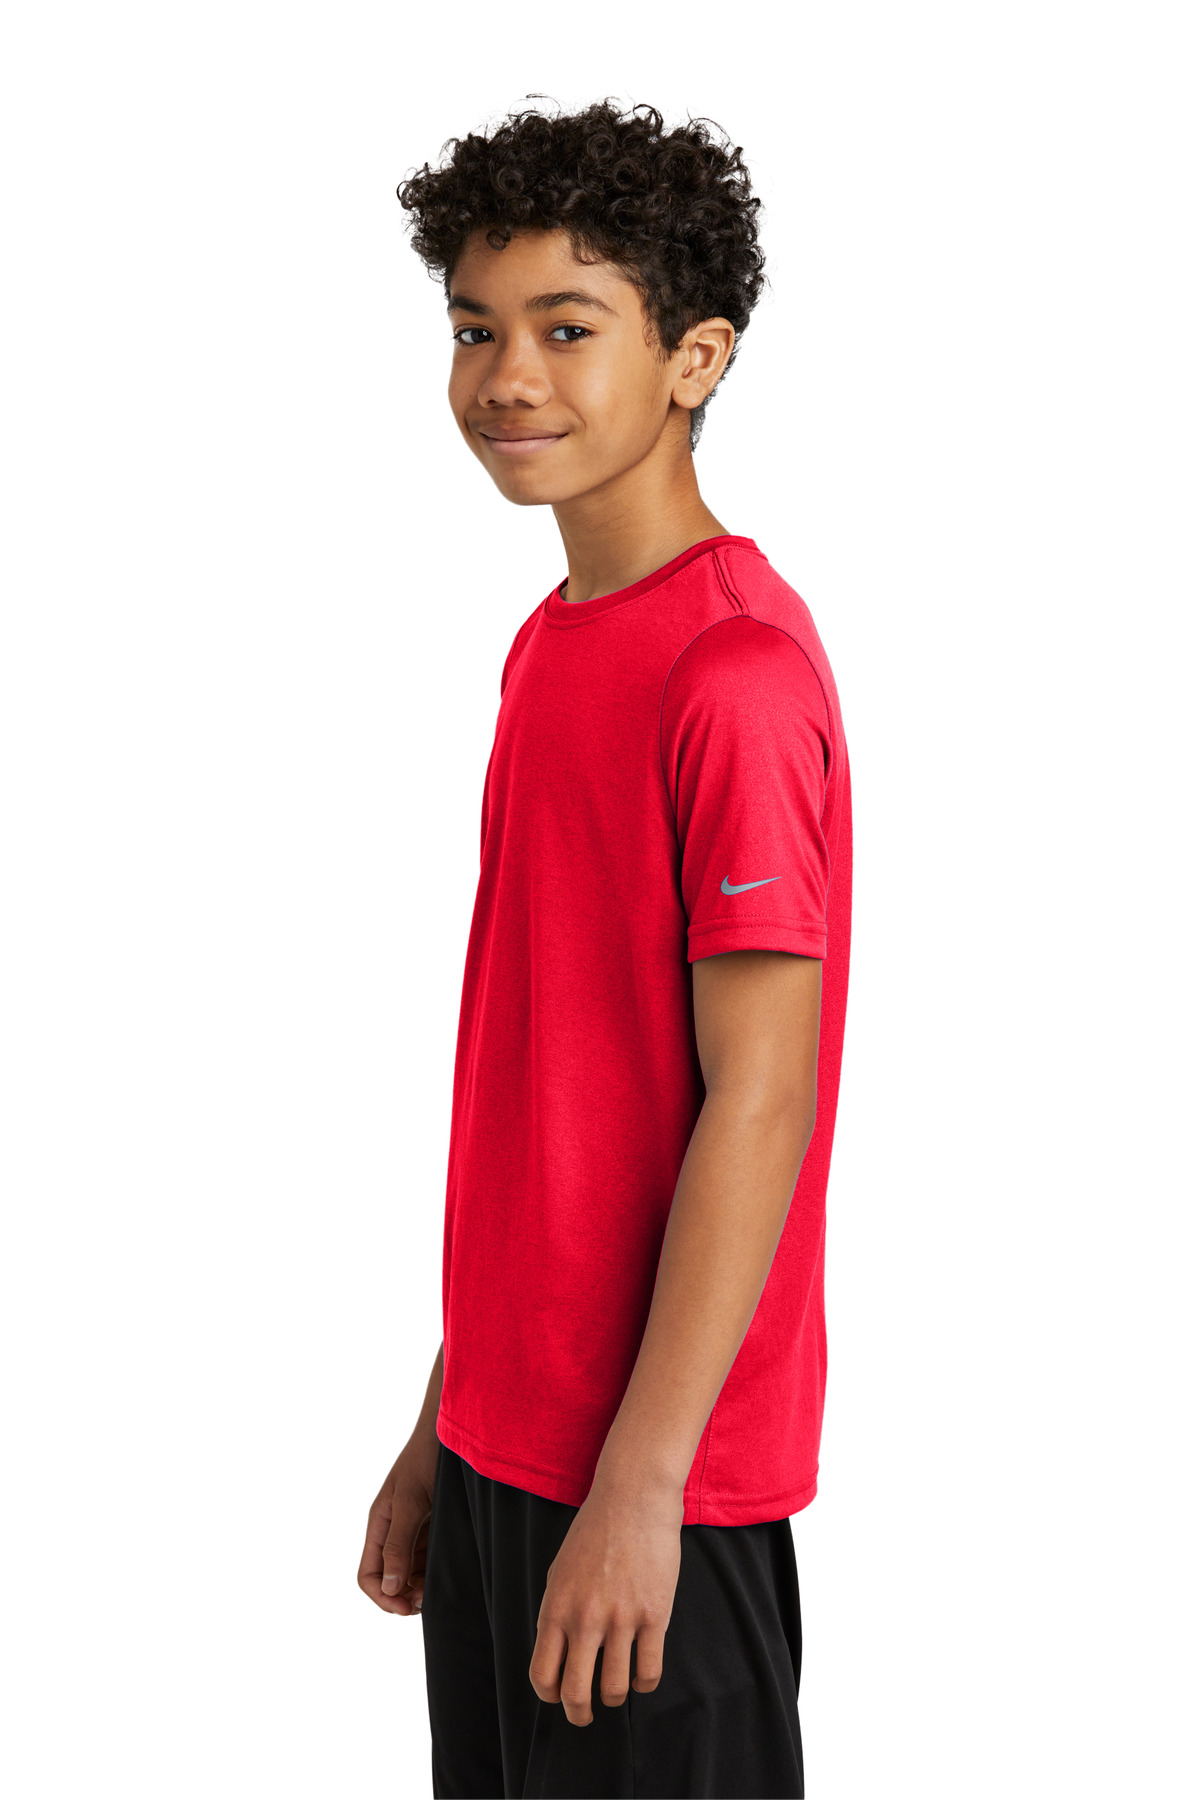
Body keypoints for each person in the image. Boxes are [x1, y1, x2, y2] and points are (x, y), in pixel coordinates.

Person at [358, 99, 852, 1800]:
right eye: (475, 328)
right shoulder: (552, 648)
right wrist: (449, 1423)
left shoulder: (736, 674)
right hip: (513, 1450)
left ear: (696, 356)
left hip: (657, 1485)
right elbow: (558, 1095)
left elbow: (759, 1100)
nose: (509, 378)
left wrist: (643, 1483)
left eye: (569, 329)